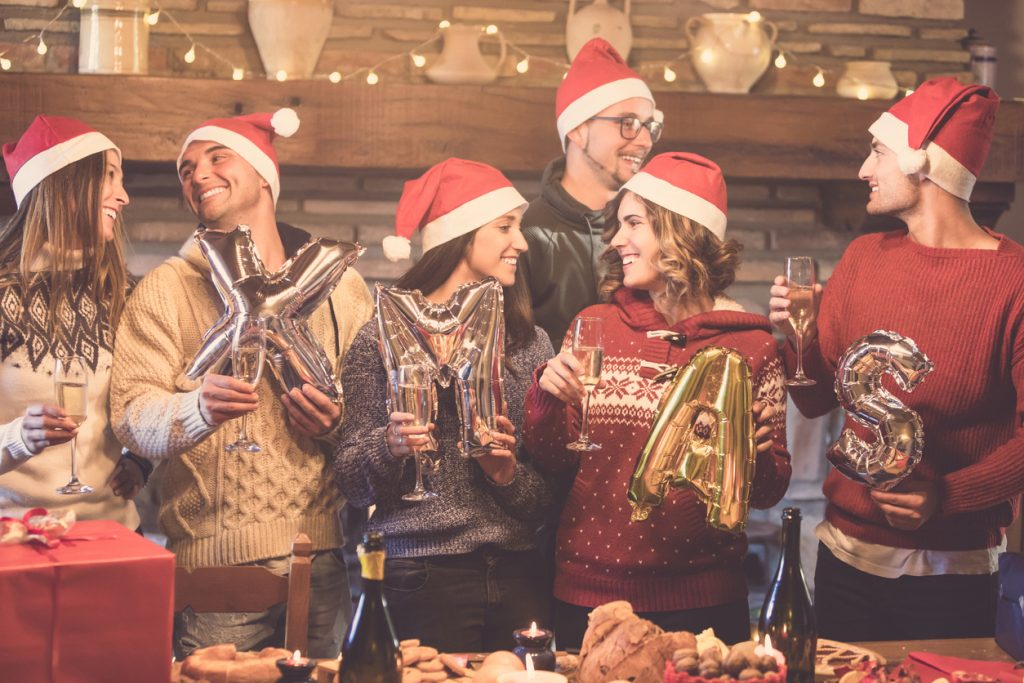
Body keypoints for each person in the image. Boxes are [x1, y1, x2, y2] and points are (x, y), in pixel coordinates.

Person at [109, 109, 374, 658]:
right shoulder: (165, 289)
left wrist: (336, 424)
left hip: (322, 561)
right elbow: (131, 414)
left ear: (263, 175)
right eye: (186, 170)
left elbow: (375, 416)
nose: (198, 175)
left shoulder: (342, 288)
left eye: (216, 158)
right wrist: (196, 410)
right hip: (214, 574)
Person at [768, 77, 1024, 641]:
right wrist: (797, 337)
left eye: (878, 151)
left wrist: (948, 497)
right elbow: (813, 401)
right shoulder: (863, 257)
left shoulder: (1015, 282)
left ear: (922, 164)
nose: (865, 169)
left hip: (955, 576)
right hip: (843, 561)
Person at [523, 152, 791, 648]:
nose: (615, 240)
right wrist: (547, 398)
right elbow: (553, 457)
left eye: (633, 223)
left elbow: (767, 494)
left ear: (679, 233)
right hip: (588, 592)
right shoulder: (593, 325)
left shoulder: (752, 348)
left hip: (703, 599)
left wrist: (751, 458)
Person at [336, 158, 554, 653]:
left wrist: (506, 475)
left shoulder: (528, 343)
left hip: (518, 574)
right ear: (460, 235)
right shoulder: (378, 340)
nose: (521, 243)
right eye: (505, 227)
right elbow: (351, 484)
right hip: (421, 576)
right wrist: (390, 447)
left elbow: (548, 498)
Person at [0, 115, 145, 520]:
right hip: (17, 535)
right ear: (65, 183)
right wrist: (17, 439)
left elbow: (152, 398)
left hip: (113, 533)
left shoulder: (125, 293)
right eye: (110, 176)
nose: (123, 197)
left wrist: (141, 460)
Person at [520, 37, 662, 349]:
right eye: (628, 123)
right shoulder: (525, 234)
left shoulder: (657, 229)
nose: (645, 141)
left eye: (649, 126)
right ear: (578, 129)